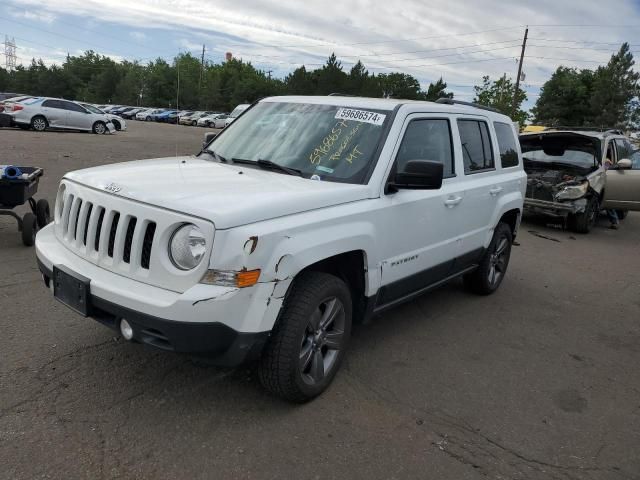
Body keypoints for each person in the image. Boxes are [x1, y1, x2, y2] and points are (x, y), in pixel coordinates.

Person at [603, 157, 619, 229]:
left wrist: (606, 164)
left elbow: (606, 168)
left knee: (608, 204)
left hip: (606, 185)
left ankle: (614, 221)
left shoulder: (606, 161)